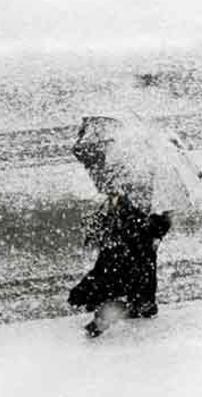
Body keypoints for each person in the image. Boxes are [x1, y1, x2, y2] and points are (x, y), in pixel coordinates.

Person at [68, 120, 173, 337]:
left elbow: (151, 218)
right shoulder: (150, 178)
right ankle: (134, 305)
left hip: (129, 238)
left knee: (120, 276)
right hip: (134, 239)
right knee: (131, 276)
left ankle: (111, 313)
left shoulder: (131, 178)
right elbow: (160, 219)